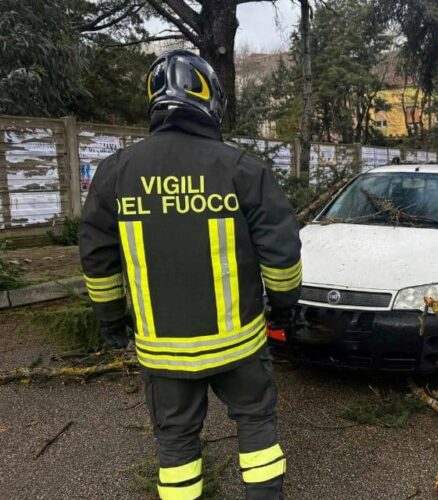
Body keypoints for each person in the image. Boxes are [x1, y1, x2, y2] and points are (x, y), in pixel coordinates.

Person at [79, 49, 301, 500]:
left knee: (175, 445)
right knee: (256, 428)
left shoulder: (116, 172)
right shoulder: (242, 168)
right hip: (240, 344)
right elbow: (281, 255)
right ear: (211, 100)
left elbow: (97, 258)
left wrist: (110, 321)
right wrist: (283, 309)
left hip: (164, 355)